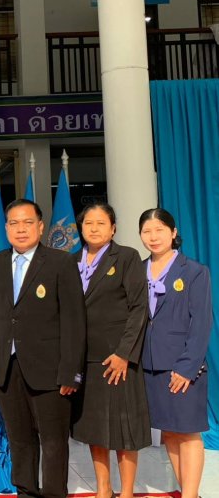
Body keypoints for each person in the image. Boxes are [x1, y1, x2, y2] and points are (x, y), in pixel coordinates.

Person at [0, 198, 86, 498]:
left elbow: (74, 322)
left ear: (40, 227)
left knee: (53, 441)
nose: (20, 229)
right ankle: (25, 491)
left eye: (27, 223)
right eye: (13, 223)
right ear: (6, 227)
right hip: (6, 368)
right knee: (19, 439)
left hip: (51, 370)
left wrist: (70, 373)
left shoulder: (61, 262)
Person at [70, 204, 151, 498]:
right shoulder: (71, 261)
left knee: (123, 430)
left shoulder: (127, 257)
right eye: (88, 223)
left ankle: (126, 491)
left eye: (101, 223)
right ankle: (103, 489)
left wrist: (124, 353)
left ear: (113, 228)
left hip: (117, 358)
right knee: (94, 429)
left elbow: (139, 308)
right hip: (85, 359)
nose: (94, 228)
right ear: (80, 228)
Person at [139, 208, 212, 498]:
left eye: (159, 229)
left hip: (182, 365)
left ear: (173, 232)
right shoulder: (137, 270)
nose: (153, 236)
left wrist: (186, 367)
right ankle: (186, 489)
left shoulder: (194, 271)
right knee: (169, 431)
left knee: (188, 431)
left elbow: (202, 323)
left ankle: (191, 495)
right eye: (147, 231)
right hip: (150, 364)